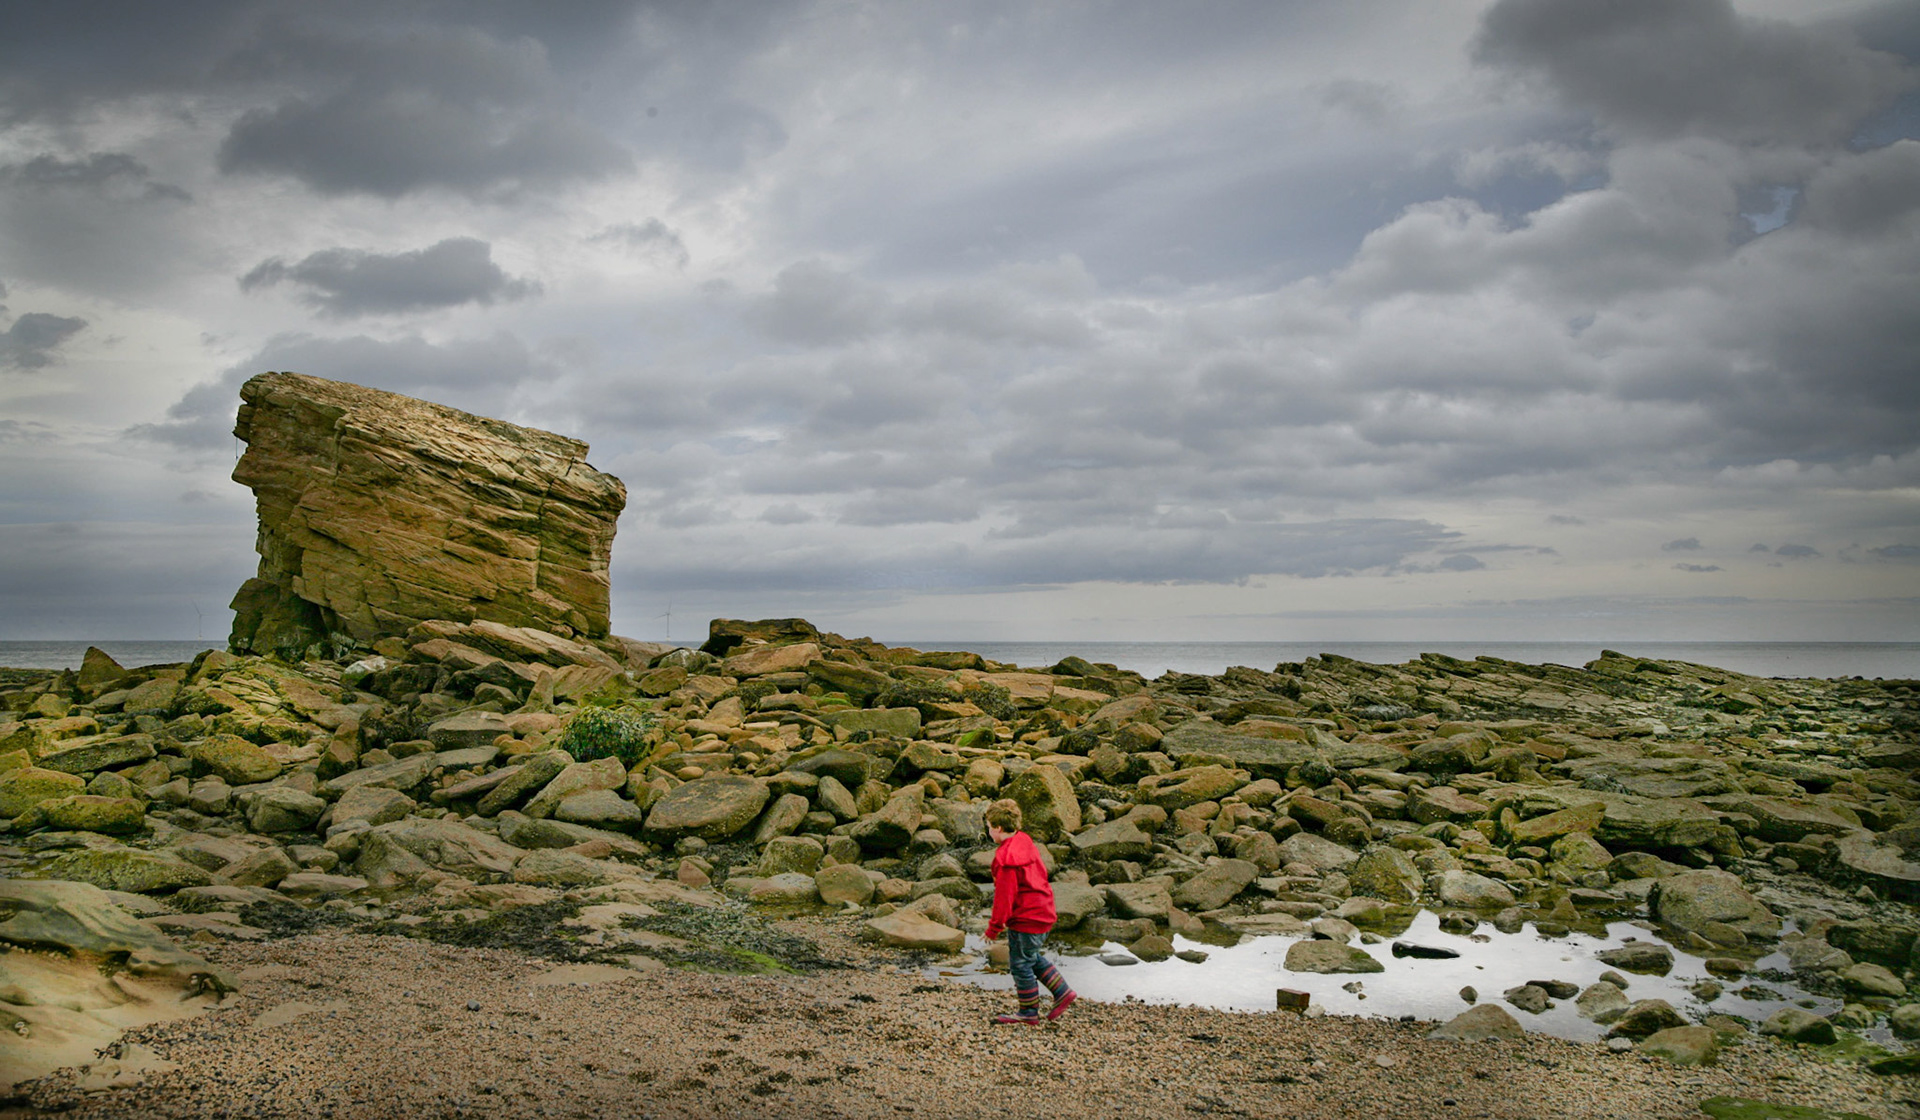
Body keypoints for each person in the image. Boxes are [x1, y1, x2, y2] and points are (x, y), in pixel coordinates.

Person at [983, 799, 1077, 1025]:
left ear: (997, 828)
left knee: (1020, 964)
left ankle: (1028, 1012)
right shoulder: (1023, 841)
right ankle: (1062, 992)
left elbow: (1004, 898)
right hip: (1043, 911)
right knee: (1031, 956)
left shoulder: (1006, 861)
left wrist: (994, 928)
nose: (988, 831)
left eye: (988, 826)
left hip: (1027, 917)